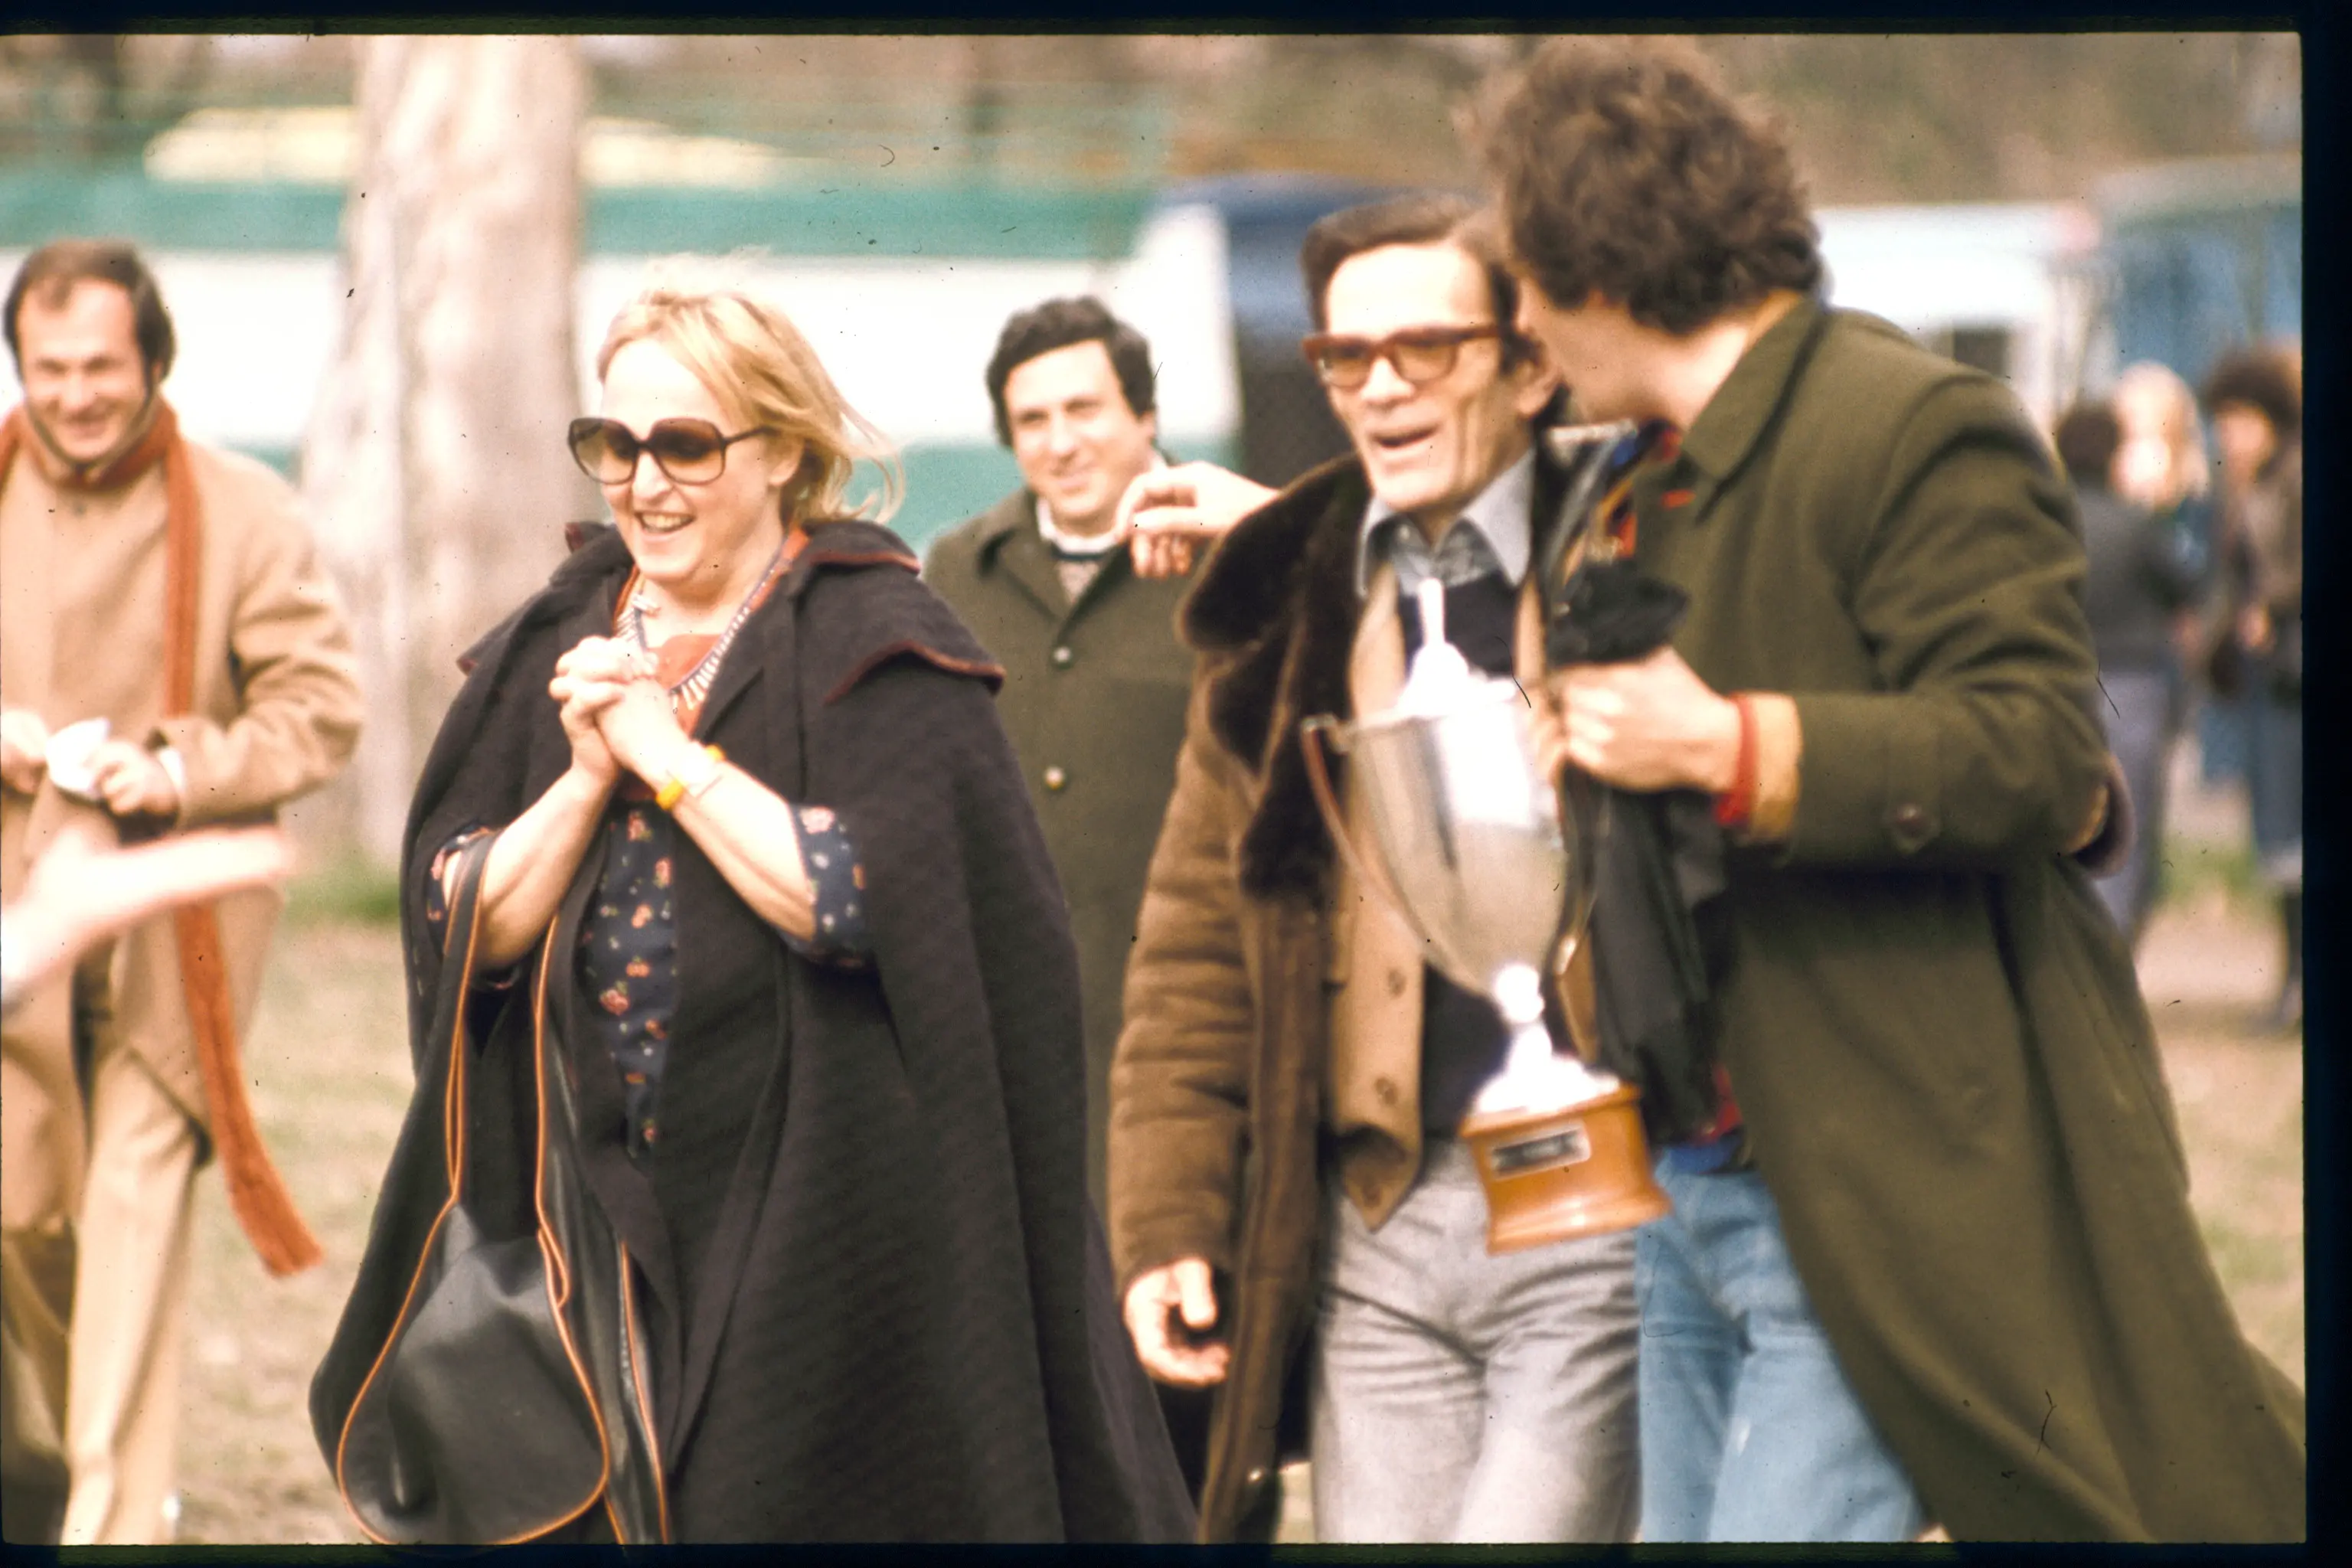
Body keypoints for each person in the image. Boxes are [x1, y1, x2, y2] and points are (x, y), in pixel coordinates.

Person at [1470, 37, 2304, 1542]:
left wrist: (1733, 748)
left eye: (1526, 275)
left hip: (1870, 1177)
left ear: (1601, 259)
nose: (1516, 320)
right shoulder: (1628, 474)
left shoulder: (1911, 421)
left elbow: (2045, 755)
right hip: (1685, 1184)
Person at [309, 281, 1191, 1543]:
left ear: (781, 449)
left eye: (685, 444)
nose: (641, 480)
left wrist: (664, 752)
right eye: (614, 443)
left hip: (822, 1228)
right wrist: (587, 776)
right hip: (587, 1232)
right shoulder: (556, 636)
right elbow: (468, 923)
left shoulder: (873, 632)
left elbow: (850, 898)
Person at [1108, 193, 1639, 1544]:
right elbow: (1189, 956)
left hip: (1597, 1216)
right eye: (1346, 358)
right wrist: (1170, 1216)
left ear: (1529, 362)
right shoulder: (1288, 608)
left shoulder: (1637, 547)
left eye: (1425, 347)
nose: (1380, 386)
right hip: (1373, 1231)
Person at [0, 240, 364, 1547]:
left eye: (104, 365)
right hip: (18, 931)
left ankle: (116, 1519)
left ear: (153, 360)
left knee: (135, 1218)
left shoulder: (245, 508)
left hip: (178, 929)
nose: (80, 393)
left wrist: (171, 764)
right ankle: (77, 1458)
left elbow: (321, 714)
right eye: (52, 370)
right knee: (27, 1215)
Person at [923, 299, 1267, 1504]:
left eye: (1084, 410)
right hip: (1017, 1062)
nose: (1060, 441)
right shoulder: (956, 572)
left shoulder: (1244, 559)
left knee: (1201, 1416)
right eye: (1032, 420)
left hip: (1194, 1059)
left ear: (1146, 416)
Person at [2055, 400, 2203, 946]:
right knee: (2130, 823)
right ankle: (2114, 942)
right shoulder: (2138, 523)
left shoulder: (2045, 519)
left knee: (2068, 815)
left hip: (2062, 683)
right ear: (2115, 451)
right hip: (2134, 684)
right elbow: (2188, 587)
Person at [2200, 348, 2301, 1031]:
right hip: (2268, 676)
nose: (2228, 435)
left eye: (2240, 420)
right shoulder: (2244, 484)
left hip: (2299, 670)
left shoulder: (2294, 475)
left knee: (2294, 827)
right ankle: (2292, 979)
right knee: (2275, 831)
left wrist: (2272, 602)